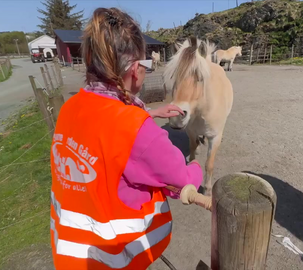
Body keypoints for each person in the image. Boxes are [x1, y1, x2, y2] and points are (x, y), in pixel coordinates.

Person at [49, 7, 203, 270]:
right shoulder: (136, 130)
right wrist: (197, 165)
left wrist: (149, 114)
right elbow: (182, 180)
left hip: (70, 255)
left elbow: (105, 133)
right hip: (116, 260)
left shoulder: (71, 107)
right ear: (134, 69)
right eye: (146, 65)